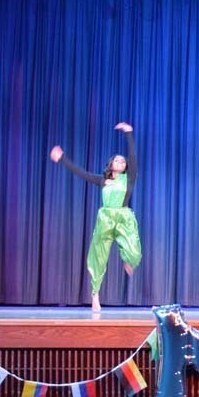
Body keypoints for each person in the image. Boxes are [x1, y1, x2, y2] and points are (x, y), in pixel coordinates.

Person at [50, 122, 142, 312]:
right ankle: (95, 294)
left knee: (134, 253)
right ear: (111, 165)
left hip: (124, 218)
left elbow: (133, 157)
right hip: (106, 220)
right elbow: (81, 173)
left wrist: (128, 133)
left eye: (123, 162)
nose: (122, 163)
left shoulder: (129, 178)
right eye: (117, 161)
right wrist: (62, 159)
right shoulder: (102, 181)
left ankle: (127, 259)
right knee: (98, 258)